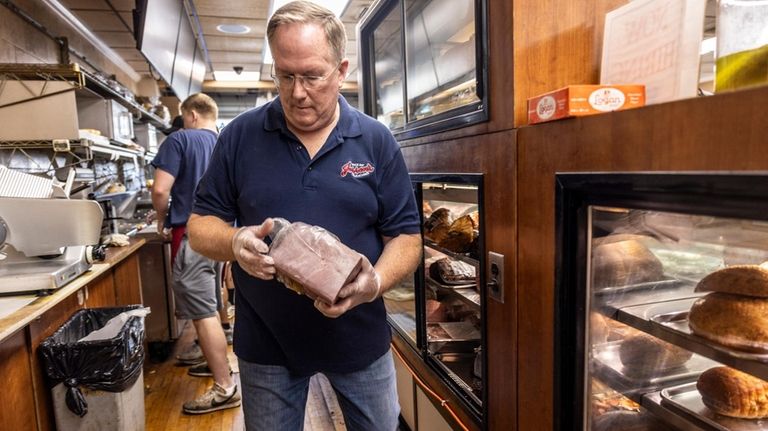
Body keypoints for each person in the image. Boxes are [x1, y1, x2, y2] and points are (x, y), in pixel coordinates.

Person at [186, 1, 422, 429]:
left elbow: (406, 237)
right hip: (267, 345)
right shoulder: (240, 136)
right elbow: (201, 227)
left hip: (360, 339)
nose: (297, 92)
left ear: (341, 70)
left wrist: (375, 283)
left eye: (312, 76)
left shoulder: (376, 140)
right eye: (285, 75)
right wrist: (235, 243)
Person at [150, 92, 240, 415]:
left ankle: (225, 386)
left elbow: (160, 189)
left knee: (201, 312)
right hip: (218, 237)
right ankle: (210, 359)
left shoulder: (179, 141)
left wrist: (160, 219)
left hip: (191, 236)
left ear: (190, 115)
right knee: (212, 303)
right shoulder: (224, 141)